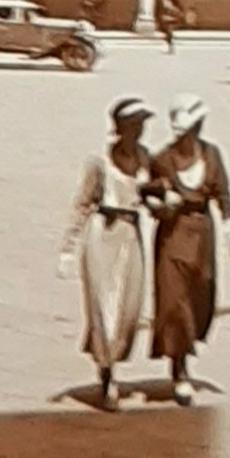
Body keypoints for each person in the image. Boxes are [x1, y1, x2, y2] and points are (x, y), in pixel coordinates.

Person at [60, 97, 154, 411]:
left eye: (141, 125)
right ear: (121, 128)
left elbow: (151, 194)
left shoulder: (145, 158)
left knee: (129, 308)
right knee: (105, 307)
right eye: (134, 125)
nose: (139, 131)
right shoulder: (99, 163)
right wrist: (68, 248)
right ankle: (107, 374)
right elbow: (82, 204)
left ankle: (111, 360)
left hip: (131, 237)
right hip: (102, 236)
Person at [146, 94, 230, 406]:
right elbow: (147, 196)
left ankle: (186, 349)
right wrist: (161, 205)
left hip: (203, 235)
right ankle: (179, 368)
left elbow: (223, 192)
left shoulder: (211, 154)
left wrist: (229, 224)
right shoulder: (162, 159)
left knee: (201, 294)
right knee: (175, 301)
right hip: (172, 234)